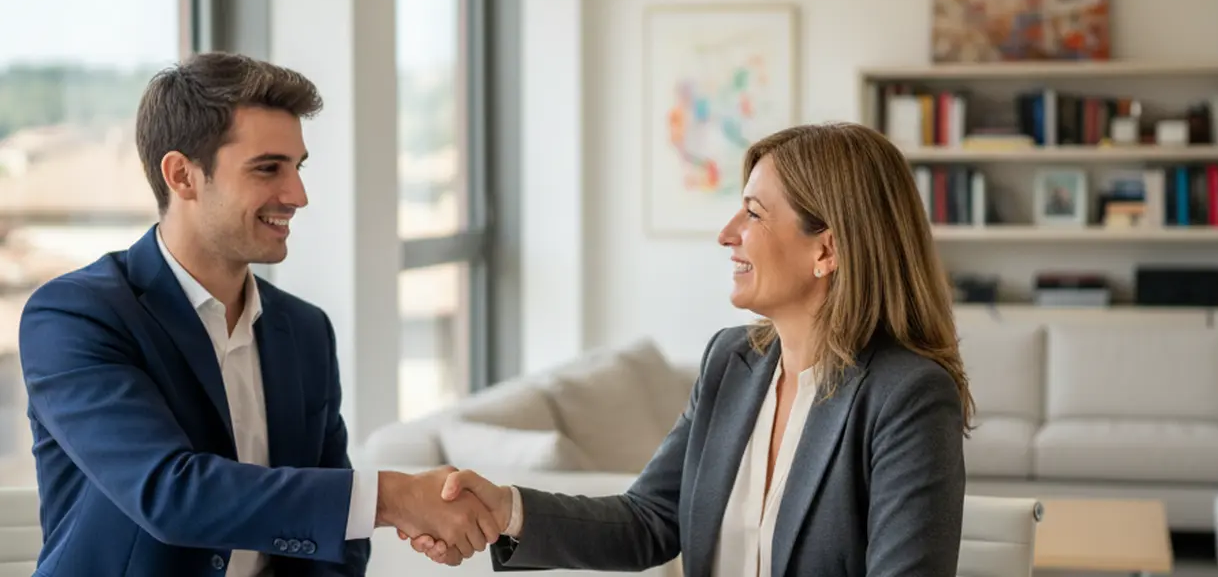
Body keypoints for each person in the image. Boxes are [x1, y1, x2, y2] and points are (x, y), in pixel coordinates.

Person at [403, 122, 975, 576]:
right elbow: (649, 519)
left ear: (825, 250)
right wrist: (505, 508)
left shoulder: (907, 396)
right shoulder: (732, 363)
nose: (726, 233)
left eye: (753, 213)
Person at [18, 52, 501, 577]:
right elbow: (171, 494)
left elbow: (338, 543)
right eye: (268, 168)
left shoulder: (305, 330)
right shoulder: (75, 317)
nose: (297, 195)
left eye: (297, 167)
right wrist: (396, 495)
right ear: (182, 175)